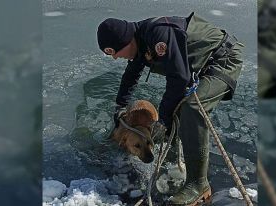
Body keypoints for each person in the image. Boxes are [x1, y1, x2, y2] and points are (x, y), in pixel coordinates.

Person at [96, 12, 243, 205]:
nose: (115, 57)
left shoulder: (158, 35)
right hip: (201, 65)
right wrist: (120, 105)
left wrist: (163, 119)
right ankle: (175, 151)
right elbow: (131, 74)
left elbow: (179, 78)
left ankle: (199, 184)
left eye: (115, 51)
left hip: (223, 58)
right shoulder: (140, 42)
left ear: (126, 41)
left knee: (191, 108)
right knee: (176, 107)